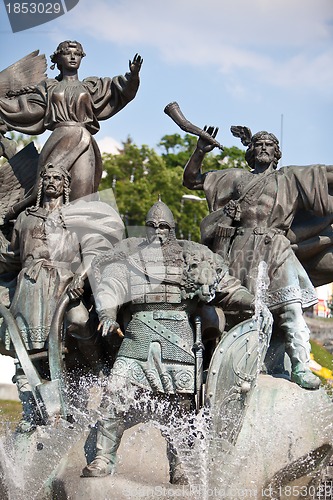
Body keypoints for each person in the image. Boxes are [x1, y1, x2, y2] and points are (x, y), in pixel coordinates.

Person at [81, 200, 271, 483]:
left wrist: (255, 302)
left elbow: (227, 289)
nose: (157, 230)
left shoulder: (192, 257)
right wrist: (108, 314)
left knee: (181, 409)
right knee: (115, 393)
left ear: (172, 228)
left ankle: (180, 465)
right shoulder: (130, 257)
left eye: (163, 226)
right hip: (139, 334)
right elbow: (111, 286)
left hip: (178, 337)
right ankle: (103, 458)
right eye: (152, 225)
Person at [182, 126, 333, 390]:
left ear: (277, 153)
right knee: (230, 311)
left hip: (276, 247)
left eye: (269, 145)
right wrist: (199, 151)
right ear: (250, 152)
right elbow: (192, 180)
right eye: (259, 144)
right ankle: (217, 366)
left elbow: (326, 177)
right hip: (239, 249)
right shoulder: (236, 178)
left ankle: (300, 364)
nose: (264, 148)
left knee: (290, 306)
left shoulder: (290, 178)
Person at [0, 163, 124, 432]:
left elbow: (94, 250)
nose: (52, 182)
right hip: (31, 284)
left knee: (79, 321)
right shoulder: (26, 217)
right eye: (47, 178)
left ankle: (98, 367)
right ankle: (30, 405)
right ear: (41, 184)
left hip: (65, 284)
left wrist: (82, 276)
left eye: (58, 178)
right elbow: (12, 257)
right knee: (25, 344)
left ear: (65, 186)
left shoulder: (77, 217)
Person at [0, 40, 142, 216]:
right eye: (68, 53)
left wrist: (133, 76)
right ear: (58, 59)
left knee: (81, 199)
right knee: (45, 194)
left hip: (84, 142)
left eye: (78, 53)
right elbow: (27, 110)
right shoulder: (48, 87)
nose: (73, 56)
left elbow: (122, 91)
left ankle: (79, 237)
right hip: (58, 140)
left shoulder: (91, 87)